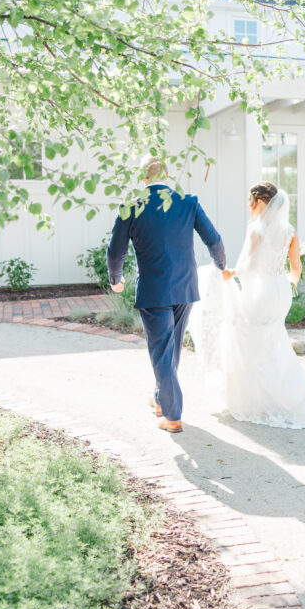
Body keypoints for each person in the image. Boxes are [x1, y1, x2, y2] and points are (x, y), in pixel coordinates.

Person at [193, 181, 305, 429]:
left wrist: (227, 274)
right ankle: (291, 400)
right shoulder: (289, 231)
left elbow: (245, 266)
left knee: (250, 344)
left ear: (259, 202)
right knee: (275, 343)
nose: (248, 206)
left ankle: (255, 402)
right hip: (280, 292)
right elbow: (295, 270)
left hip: (260, 292)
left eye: (250, 201)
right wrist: (286, 284)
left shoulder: (256, 229)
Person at [107, 156, 225, 433]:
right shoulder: (188, 202)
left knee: (162, 349)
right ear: (168, 175)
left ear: (143, 178)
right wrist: (221, 265)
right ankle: (162, 399)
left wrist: (116, 278)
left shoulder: (131, 207)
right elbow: (214, 239)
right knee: (168, 349)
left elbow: (115, 251)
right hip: (185, 288)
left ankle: (172, 416)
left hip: (154, 289)